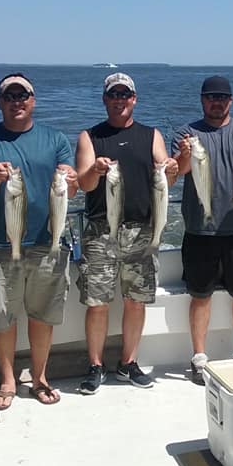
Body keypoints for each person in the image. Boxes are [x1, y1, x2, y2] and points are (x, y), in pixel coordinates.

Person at [0, 73, 78, 409]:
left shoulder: (56, 138)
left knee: (43, 315)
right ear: (0, 102)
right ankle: (7, 380)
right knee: (2, 316)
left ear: (33, 100)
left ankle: (40, 377)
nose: (17, 101)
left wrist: (71, 180)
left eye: (23, 95)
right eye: (9, 96)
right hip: (0, 246)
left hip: (48, 242)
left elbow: (70, 189)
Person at [75, 73, 178, 393]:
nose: (119, 99)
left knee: (135, 302)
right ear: (105, 99)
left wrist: (172, 167)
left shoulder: (151, 135)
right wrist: (95, 170)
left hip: (141, 230)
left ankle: (128, 362)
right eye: (113, 94)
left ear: (134, 99)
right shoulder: (89, 137)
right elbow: (84, 184)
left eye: (125, 94)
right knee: (97, 303)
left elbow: (166, 174)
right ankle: (95, 365)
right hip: (100, 231)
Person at [172, 76, 233, 384]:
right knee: (200, 296)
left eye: (223, 97)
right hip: (200, 231)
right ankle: (199, 357)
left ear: (232, 100)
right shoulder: (187, 132)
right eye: (211, 97)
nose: (217, 102)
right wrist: (185, 153)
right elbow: (180, 170)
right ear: (202, 100)